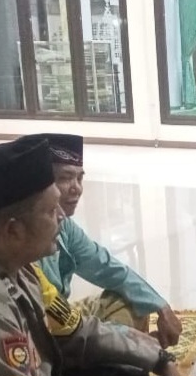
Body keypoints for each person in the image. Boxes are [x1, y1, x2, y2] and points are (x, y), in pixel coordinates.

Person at [0, 138, 180, 376]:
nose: (62, 217)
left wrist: (158, 356)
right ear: (13, 230)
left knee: (126, 368)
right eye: (52, 211)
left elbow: (75, 330)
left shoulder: (16, 267)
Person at [18, 133, 183, 348]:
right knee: (120, 348)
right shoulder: (23, 242)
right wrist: (136, 342)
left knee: (131, 299)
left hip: (63, 319)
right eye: (65, 178)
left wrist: (160, 306)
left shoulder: (64, 226)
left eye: (80, 178)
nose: (77, 188)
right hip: (44, 334)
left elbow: (105, 266)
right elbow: (60, 324)